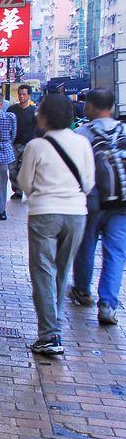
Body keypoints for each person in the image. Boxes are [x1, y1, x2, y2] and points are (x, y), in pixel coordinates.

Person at [18, 94, 95, 356]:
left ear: (45, 116)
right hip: (76, 214)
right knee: (61, 272)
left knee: (43, 272)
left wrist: (44, 192)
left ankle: (49, 334)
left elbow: (24, 183)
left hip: (44, 214)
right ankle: (54, 329)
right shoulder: (82, 143)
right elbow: (89, 182)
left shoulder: (36, 146)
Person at [70, 88, 126, 326]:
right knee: (116, 253)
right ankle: (108, 305)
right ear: (112, 107)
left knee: (86, 246)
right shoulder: (124, 130)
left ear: (90, 106)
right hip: (121, 202)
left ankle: (83, 291)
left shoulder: (82, 133)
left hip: (92, 202)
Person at [9, 85, 37, 200]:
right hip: (14, 143)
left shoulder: (34, 110)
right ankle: (17, 190)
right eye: (20, 94)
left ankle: (28, 189)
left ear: (29, 95)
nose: (21, 96)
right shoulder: (12, 110)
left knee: (26, 168)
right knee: (12, 168)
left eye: (24, 94)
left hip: (28, 143)